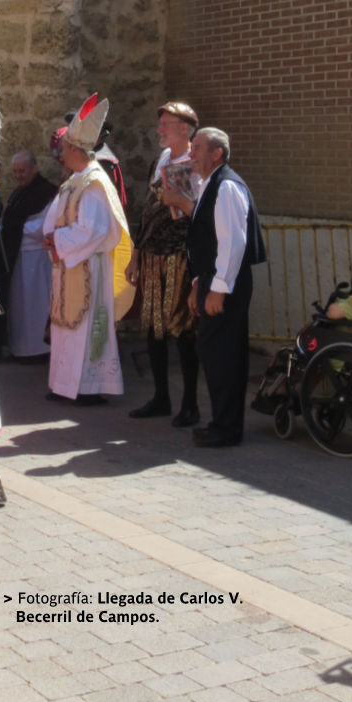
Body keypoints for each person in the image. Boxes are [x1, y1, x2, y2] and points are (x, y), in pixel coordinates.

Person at [43, 95, 129, 403]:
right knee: (67, 327)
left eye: (64, 147)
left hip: (89, 266)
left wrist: (60, 241)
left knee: (89, 326)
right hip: (70, 264)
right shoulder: (73, 181)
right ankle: (65, 385)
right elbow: (53, 219)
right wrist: (50, 237)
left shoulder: (93, 182)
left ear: (76, 149)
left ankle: (91, 388)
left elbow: (95, 229)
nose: (61, 151)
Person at [185, 127, 266, 448]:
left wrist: (219, 288)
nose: (191, 154)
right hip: (213, 278)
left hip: (226, 281)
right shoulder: (209, 184)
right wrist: (197, 285)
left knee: (223, 354)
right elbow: (204, 240)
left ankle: (227, 428)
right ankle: (222, 422)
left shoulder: (227, 186)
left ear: (217, 153)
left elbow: (233, 243)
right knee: (214, 350)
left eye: (198, 147)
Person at [127, 102, 201, 426]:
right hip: (153, 256)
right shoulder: (161, 161)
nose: (159, 129)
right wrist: (135, 254)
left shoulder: (194, 164)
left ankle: (190, 404)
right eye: (160, 124)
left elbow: (197, 213)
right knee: (154, 331)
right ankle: (161, 397)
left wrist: (181, 204)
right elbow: (147, 211)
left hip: (178, 257)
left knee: (184, 332)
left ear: (184, 128)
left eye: (166, 124)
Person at [1, 151, 57, 359]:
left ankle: (39, 349)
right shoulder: (18, 193)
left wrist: (10, 229)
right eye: (15, 172)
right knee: (19, 307)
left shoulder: (45, 192)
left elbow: (42, 227)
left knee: (35, 305)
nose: (19, 175)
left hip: (36, 258)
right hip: (18, 258)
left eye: (22, 170)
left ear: (34, 168)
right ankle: (20, 348)